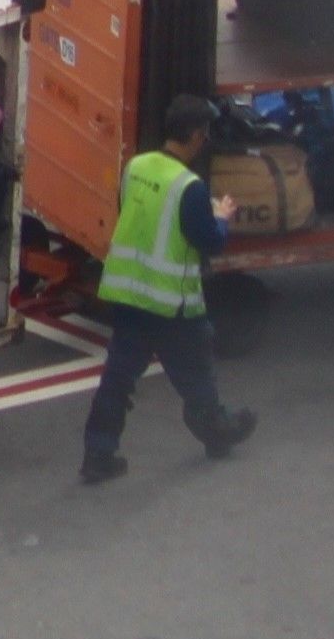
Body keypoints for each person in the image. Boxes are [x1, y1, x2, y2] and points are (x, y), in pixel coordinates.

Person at [86, 92, 258, 485]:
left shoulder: (135, 167)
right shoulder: (190, 187)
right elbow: (209, 241)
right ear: (197, 136)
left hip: (129, 295)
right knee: (197, 374)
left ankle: (98, 452)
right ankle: (217, 432)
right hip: (172, 303)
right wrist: (222, 217)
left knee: (116, 380)